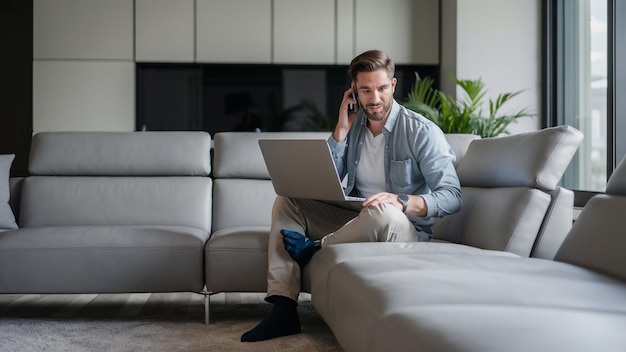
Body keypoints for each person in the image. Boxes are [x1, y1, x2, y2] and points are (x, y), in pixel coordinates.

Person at [241, 49, 463, 342]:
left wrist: (402, 201)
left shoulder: (421, 132)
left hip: (398, 227)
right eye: (366, 90)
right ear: (353, 91)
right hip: (354, 220)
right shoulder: (354, 126)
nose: (375, 99)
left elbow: (452, 196)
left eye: (382, 88)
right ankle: (283, 309)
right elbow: (326, 179)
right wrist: (340, 131)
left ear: (393, 86)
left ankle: (315, 247)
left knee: (383, 211)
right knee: (288, 199)